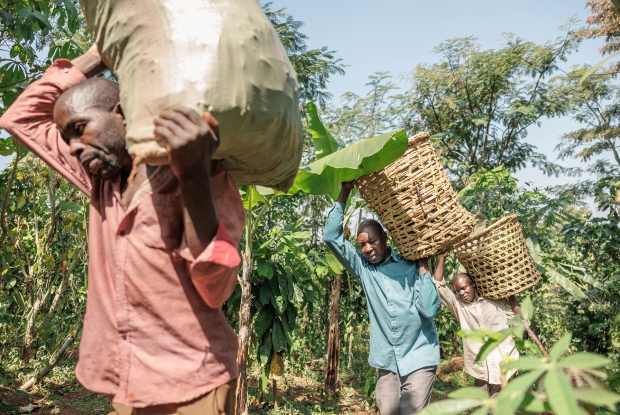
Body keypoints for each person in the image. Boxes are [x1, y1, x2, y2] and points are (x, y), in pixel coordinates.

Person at [0, 44, 246, 414]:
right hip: (126, 385)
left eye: (79, 129)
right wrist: (102, 50)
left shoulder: (202, 173)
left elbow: (215, 288)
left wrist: (193, 174)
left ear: (121, 113)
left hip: (192, 385)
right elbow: (19, 118)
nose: (73, 147)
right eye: (67, 137)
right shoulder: (103, 182)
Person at [323, 181, 441, 415]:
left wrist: (423, 265)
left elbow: (429, 310)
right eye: (362, 244)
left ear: (385, 238)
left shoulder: (410, 264)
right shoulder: (363, 268)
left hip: (419, 355)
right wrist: (345, 191)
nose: (367, 248)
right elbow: (330, 237)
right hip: (387, 361)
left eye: (372, 241)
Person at [433, 251, 520, 398]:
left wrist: (512, 297)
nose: (461, 293)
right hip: (480, 368)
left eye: (464, 287)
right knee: (480, 406)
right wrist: (441, 257)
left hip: (503, 363)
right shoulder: (459, 306)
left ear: (473, 284)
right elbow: (438, 284)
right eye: (458, 291)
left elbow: (521, 322)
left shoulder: (496, 301)